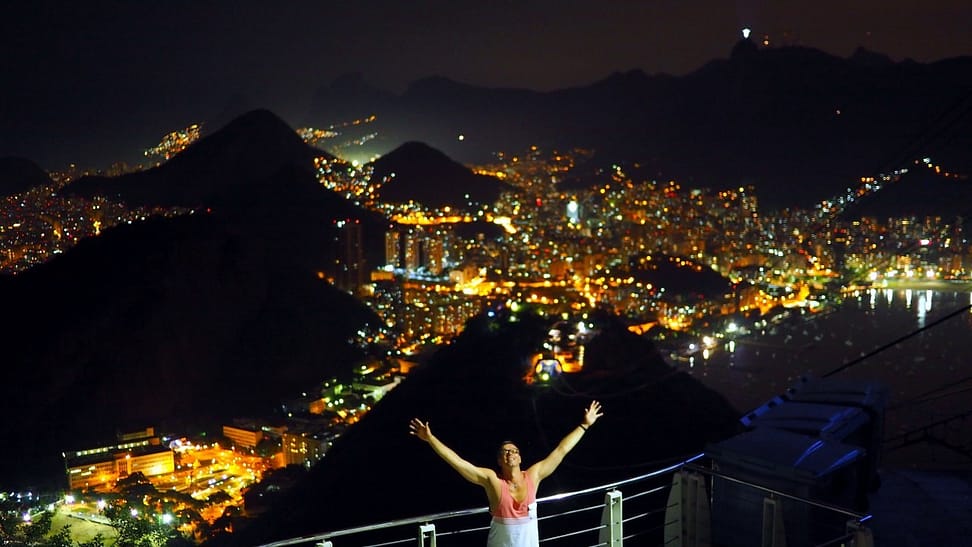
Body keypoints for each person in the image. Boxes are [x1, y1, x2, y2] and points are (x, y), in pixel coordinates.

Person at [409, 401, 603, 547]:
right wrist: (431, 439)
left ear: (520, 458)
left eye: (514, 451)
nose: (511, 453)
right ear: (499, 461)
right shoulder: (492, 480)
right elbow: (458, 462)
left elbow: (561, 450)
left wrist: (584, 425)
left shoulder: (533, 476)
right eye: (505, 452)